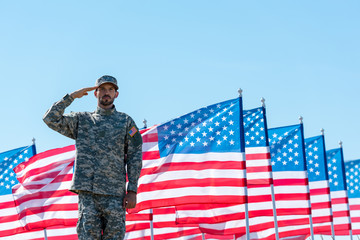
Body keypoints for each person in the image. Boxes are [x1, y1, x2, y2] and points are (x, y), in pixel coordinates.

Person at [43, 75, 143, 240]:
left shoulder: (125, 121)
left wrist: (132, 190)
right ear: (95, 93)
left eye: (111, 89)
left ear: (116, 94)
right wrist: (72, 96)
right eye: (103, 89)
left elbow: (134, 155)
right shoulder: (82, 120)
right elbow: (50, 118)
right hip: (88, 195)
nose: (106, 93)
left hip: (115, 195)